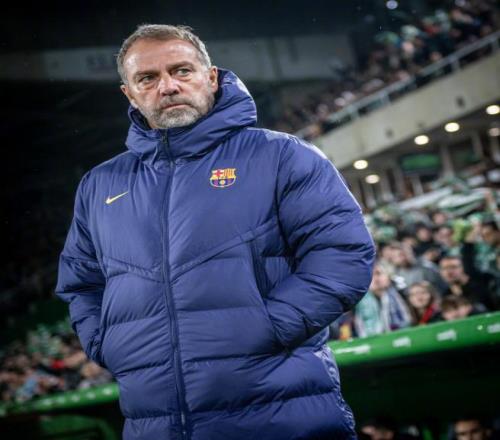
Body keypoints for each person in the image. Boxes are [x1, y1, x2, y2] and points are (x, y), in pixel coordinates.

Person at [55, 24, 375, 440]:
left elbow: (343, 254)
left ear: (210, 78)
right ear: (129, 94)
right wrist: (108, 344)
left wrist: (268, 327)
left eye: (181, 71)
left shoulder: (282, 155)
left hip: (281, 417)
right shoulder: (100, 185)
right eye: (147, 78)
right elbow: (81, 283)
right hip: (155, 426)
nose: (168, 86)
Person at [354, 264, 411, 337]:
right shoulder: (359, 300)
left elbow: (407, 319)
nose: (375, 278)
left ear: (388, 277)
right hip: (372, 340)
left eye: (378, 274)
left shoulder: (401, 292)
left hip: (400, 337)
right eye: (370, 275)